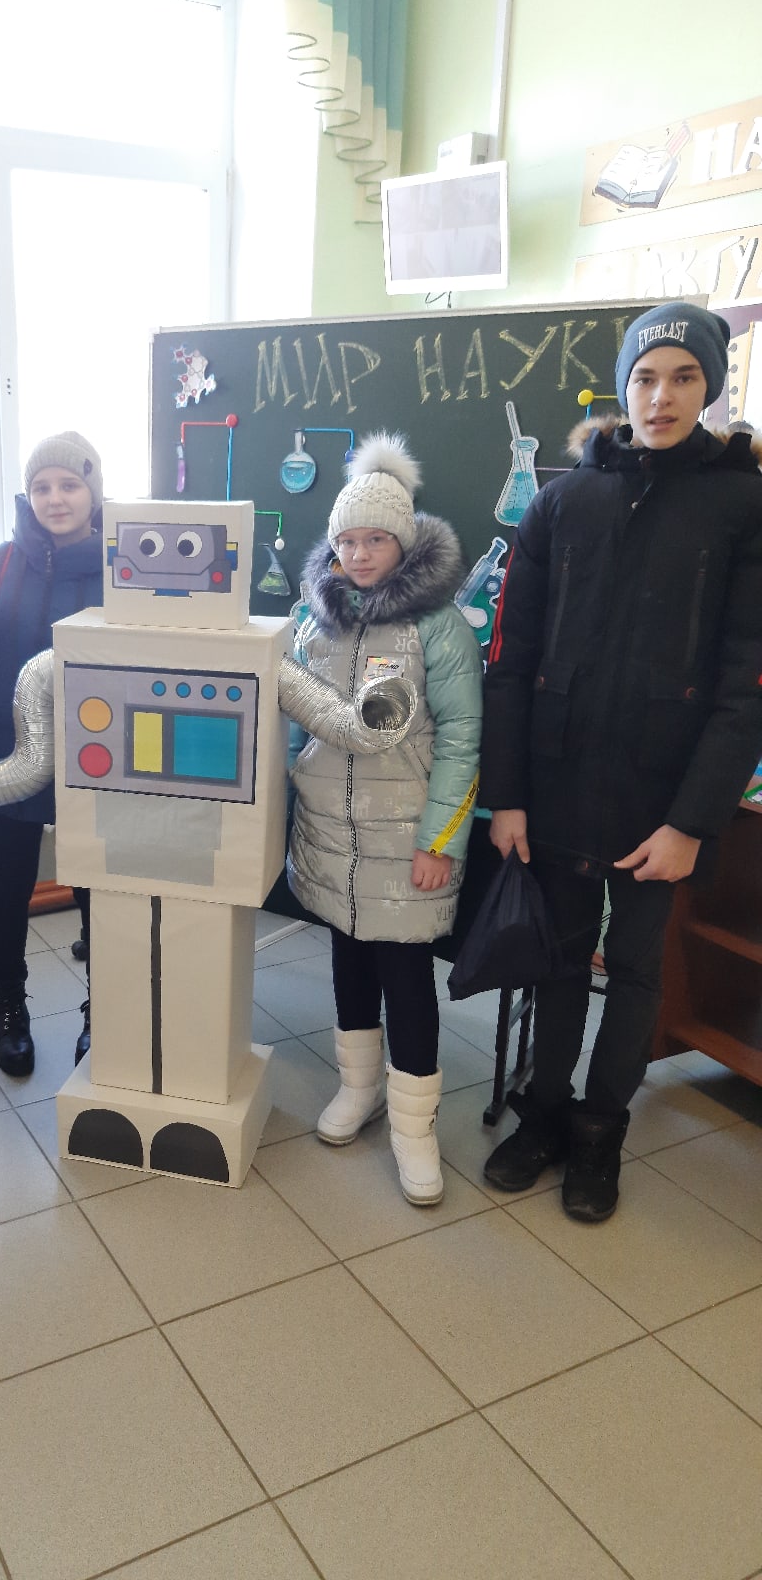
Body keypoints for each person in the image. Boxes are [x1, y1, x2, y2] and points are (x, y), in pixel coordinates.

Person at [480, 302, 762, 1222]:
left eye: (684, 378)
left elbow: (745, 686)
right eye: (646, 377)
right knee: (560, 961)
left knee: (636, 970)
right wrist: (508, 797)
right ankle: (544, 1115)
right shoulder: (564, 499)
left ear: (709, 387)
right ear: (623, 386)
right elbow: (510, 661)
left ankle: (600, 1132)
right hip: (558, 784)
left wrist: (692, 822)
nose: (662, 396)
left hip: (661, 798)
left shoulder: (742, 504)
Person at [287, 433, 482, 1205]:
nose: (360, 555)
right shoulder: (317, 619)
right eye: (348, 541)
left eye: (375, 540)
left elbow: (463, 737)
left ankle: (413, 1127)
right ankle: (358, 1088)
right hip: (329, 833)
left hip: (407, 840)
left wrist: (441, 841)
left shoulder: (440, 627)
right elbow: (297, 720)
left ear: (404, 543)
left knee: (406, 979)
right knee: (347, 964)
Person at [0, 431, 104, 1075]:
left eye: (69, 484)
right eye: (42, 487)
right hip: (10, 754)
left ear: (93, 492)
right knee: (8, 889)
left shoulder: (123, 564)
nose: (56, 498)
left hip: (96, 759)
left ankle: (100, 1010)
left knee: (96, 890)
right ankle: (10, 1010)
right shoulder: (0, 564)